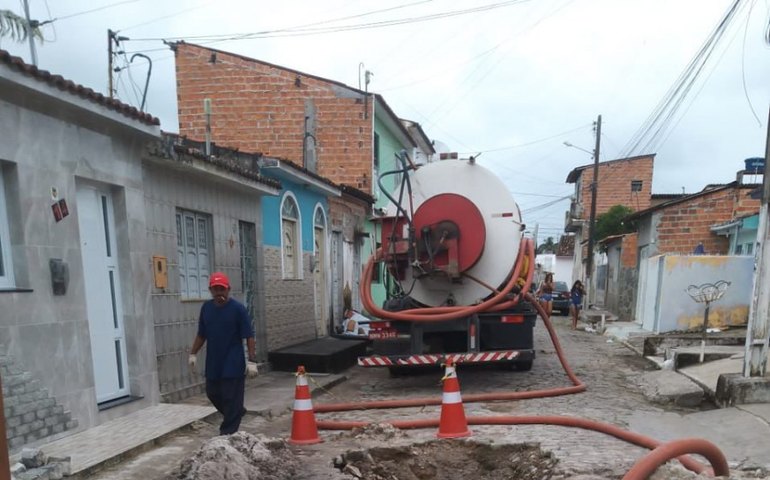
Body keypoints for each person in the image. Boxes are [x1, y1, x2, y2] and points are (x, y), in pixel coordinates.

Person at [188, 272, 258, 435]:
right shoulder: (206, 308)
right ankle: (236, 412)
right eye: (216, 289)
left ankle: (227, 433)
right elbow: (201, 334)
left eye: (222, 289)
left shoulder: (238, 309)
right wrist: (193, 354)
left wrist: (252, 361)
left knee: (229, 395)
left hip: (233, 361)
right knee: (212, 393)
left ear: (229, 289)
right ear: (210, 290)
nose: (219, 293)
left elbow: (249, 335)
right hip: (214, 361)